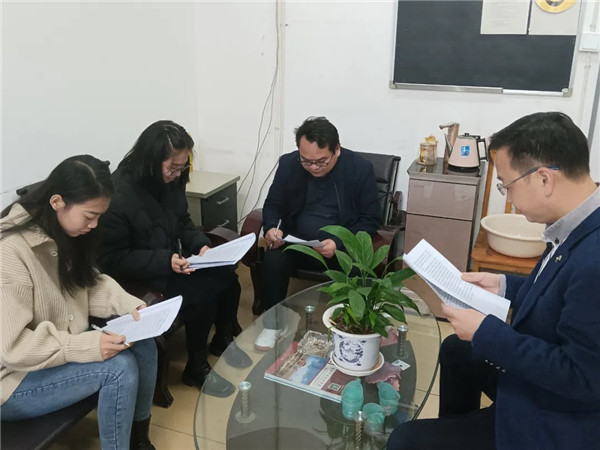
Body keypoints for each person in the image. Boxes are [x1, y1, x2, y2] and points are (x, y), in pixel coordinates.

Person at [387, 112, 600, 450]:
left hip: (558, 416)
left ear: (544, 179)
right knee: (458, 349)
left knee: (404, 441)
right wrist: (503, 285)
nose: (508, 197)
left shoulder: (594, 259)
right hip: (543, 382)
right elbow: (560, 291)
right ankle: (457, 432)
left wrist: (486, 331)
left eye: (507, 185)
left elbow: (582, 377)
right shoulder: (576, 222)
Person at [0, 155, 158, 450]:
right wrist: (84, 346)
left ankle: (139, 440)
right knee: (118, 369)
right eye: (89, 216)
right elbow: (13, 349)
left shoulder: (62, 230)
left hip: (53, 353)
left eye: (99, 216)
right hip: (12, 381)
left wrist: (128, 305)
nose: (94, 225)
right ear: (57, 202)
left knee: (144, 342)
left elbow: (86, 283)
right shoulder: (10, 252)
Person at [97, 120, 250, 399]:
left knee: (227, 275)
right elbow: (112, 259)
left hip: (170, 260)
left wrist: (201, 245)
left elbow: (182, 221)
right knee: (202, 291)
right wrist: (165, 260)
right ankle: (196, 367)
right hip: (138, 276)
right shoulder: (117, 196)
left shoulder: (171, 180)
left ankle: (223, 340)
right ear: (150, 160)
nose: (178, 174)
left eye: (182, 167)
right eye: (173, 168)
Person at [255, 116, 380, 351]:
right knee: (272, 259)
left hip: (338, 249)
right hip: (297, 242)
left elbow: (370, 219)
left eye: (321, 161)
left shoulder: (359, 169)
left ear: (337, 150)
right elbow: (273, 205)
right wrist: (272, 227)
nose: (313, 167)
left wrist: (339, 242)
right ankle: (274, 325)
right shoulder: (289, 164)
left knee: (358, 268)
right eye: (306, 161)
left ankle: (350, 329)